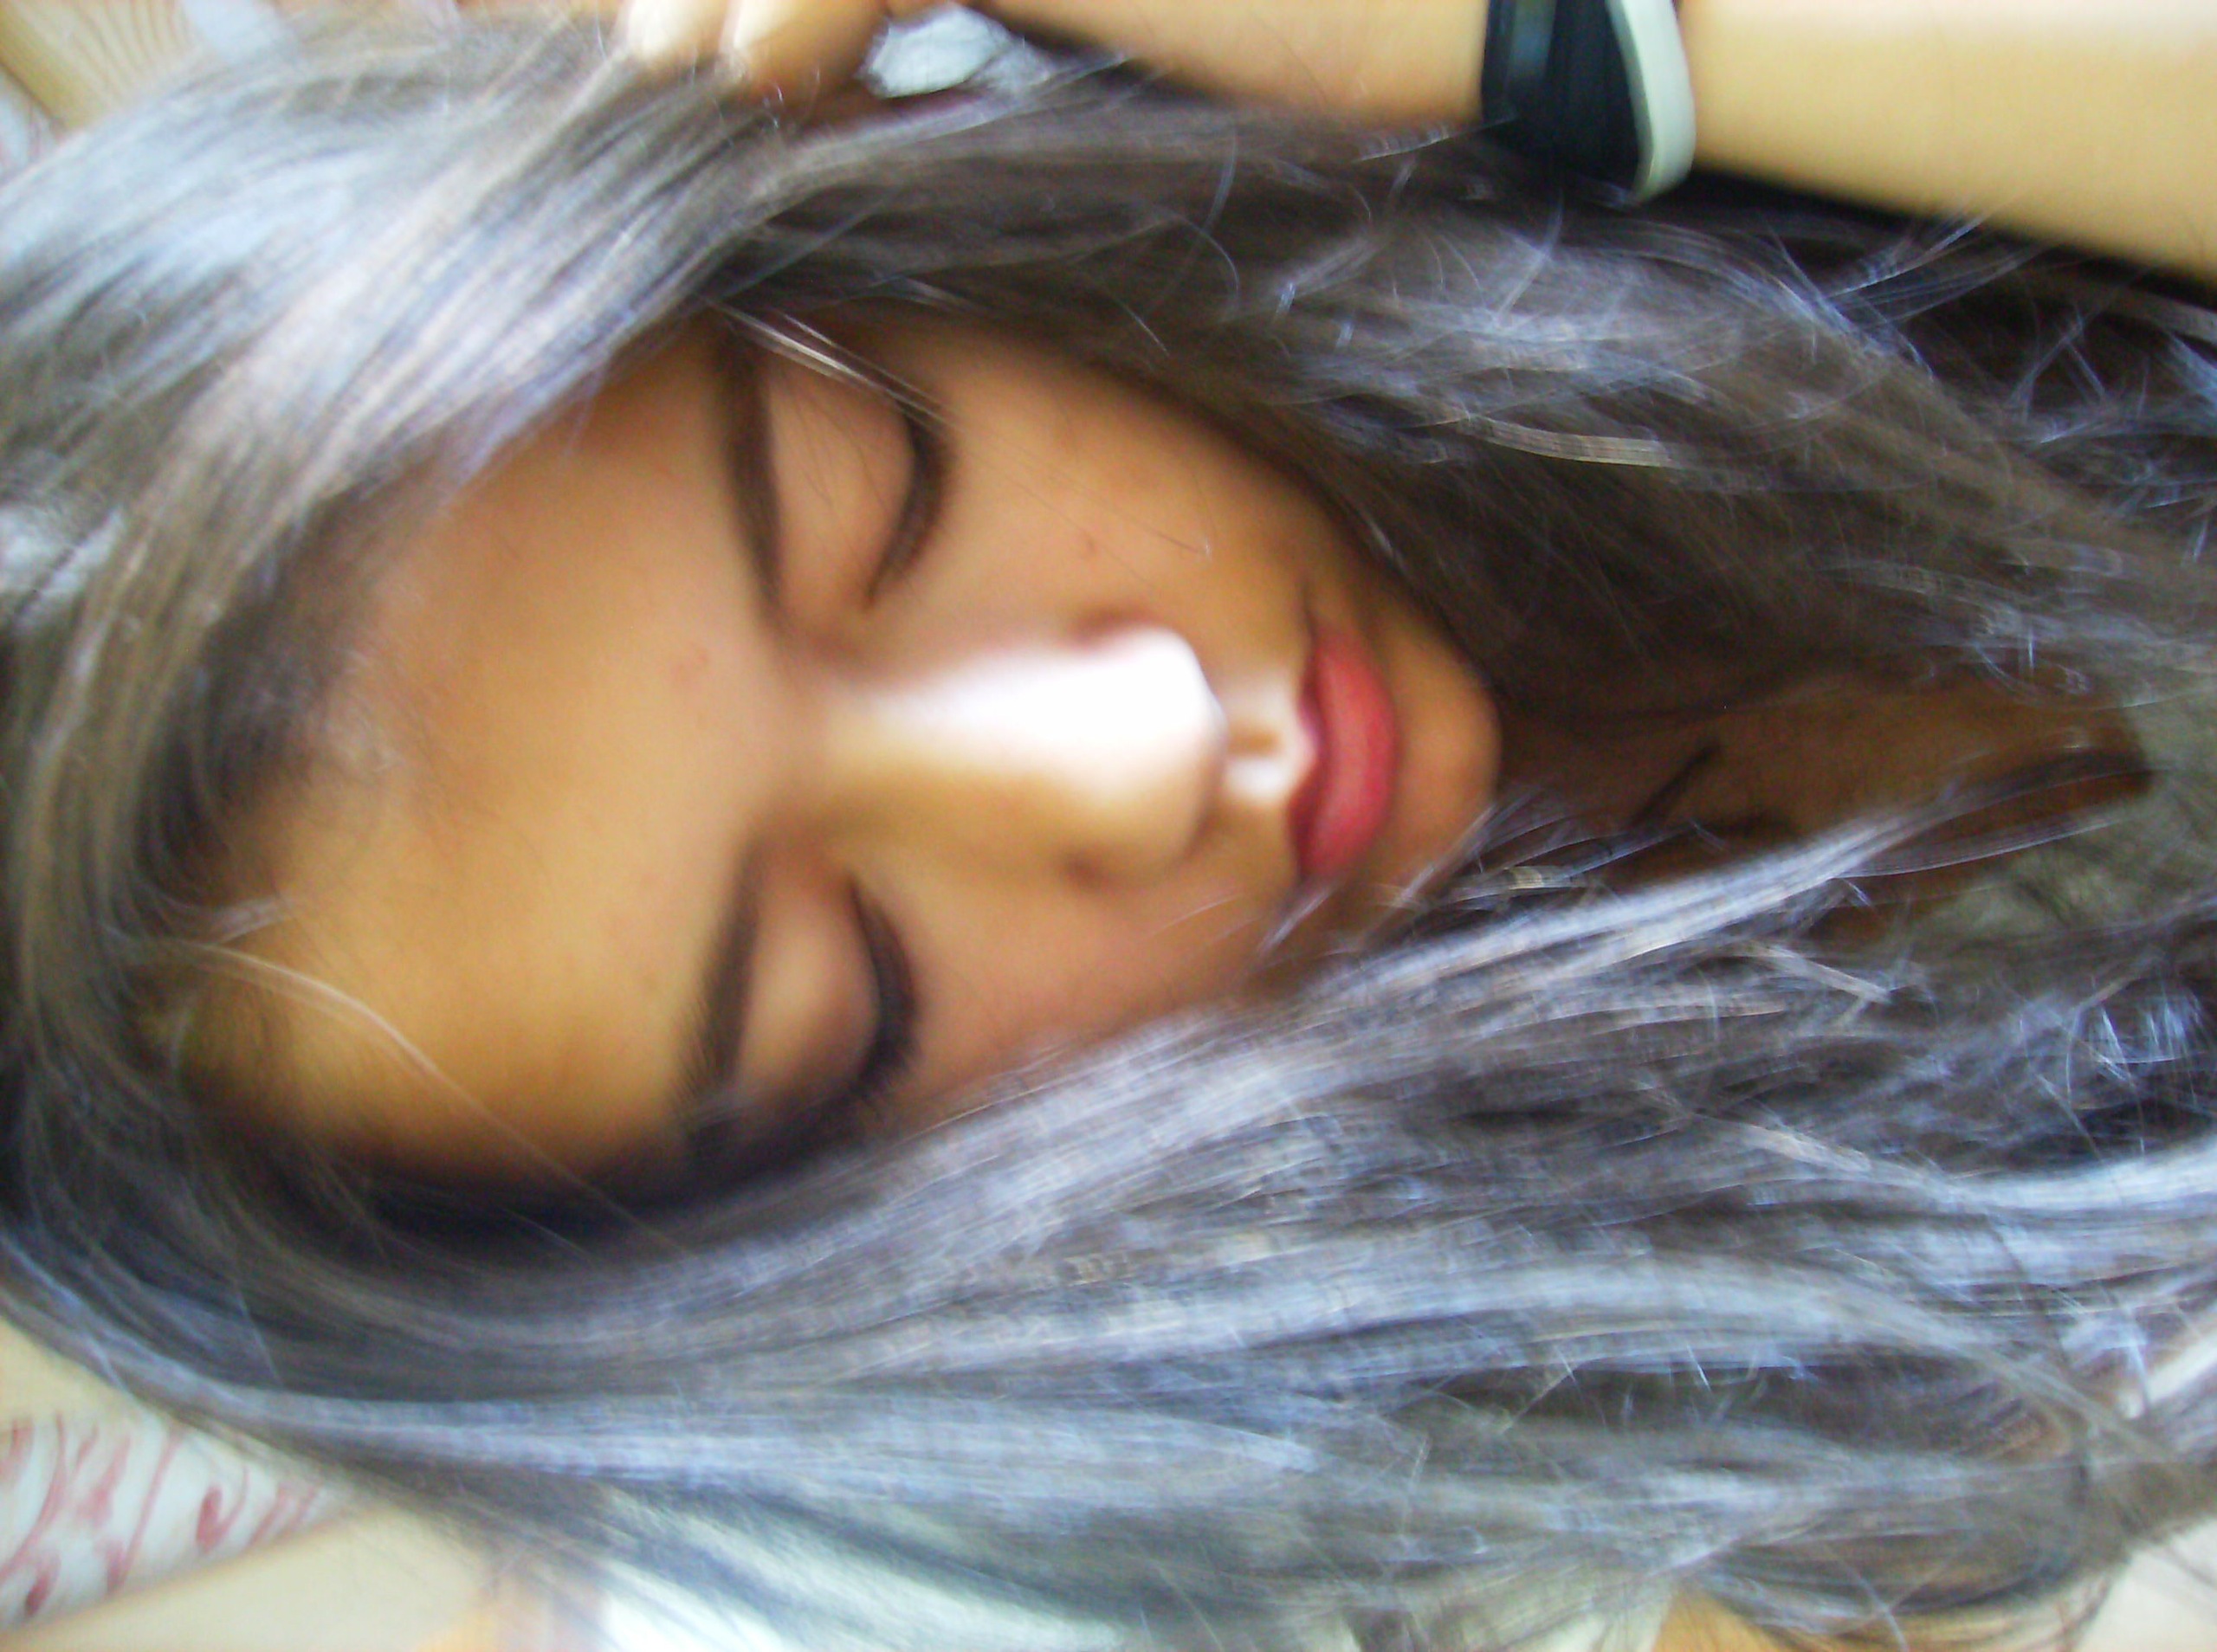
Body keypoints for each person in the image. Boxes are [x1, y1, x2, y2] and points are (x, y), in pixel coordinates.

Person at [3, 3, 2215, 1648]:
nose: (1139, 746)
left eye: (887, 493)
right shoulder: (1480, 1468)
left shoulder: (1330, 85)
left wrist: (1544, 42)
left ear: (856, 219)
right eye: (858, 995)